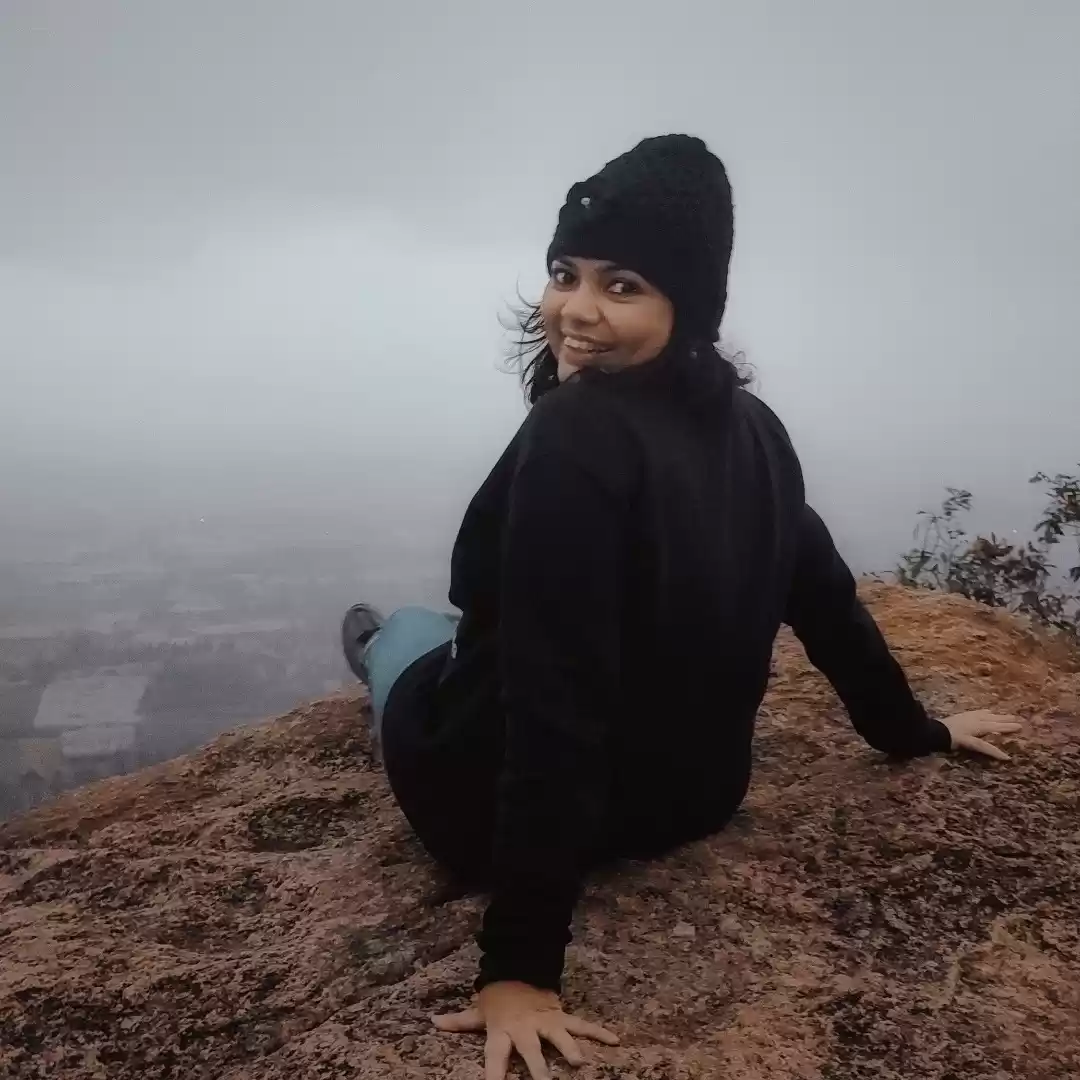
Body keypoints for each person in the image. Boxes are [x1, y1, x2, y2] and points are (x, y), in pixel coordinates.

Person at [340, 134, 1022, 1080]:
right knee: (478, 632)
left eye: (621, 285)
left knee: (413, 642)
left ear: (686, 302)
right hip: (694, 798)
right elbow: (823, 598)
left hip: (490, 814)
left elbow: (556, 711)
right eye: (564, 273)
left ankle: (373, 649)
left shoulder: (572, 438)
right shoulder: (754, 427)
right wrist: (915, 732)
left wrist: (521, 971)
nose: (575, 310)